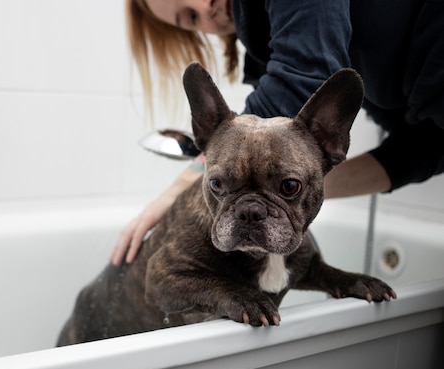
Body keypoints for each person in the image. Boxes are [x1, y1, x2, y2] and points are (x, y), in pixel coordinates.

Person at [110, 0, 444, 265]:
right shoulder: (267, 47)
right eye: (191, 18)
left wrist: (176, 194)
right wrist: (292, 191)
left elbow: (305, 77)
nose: (204, 6)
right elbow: (425, 148)